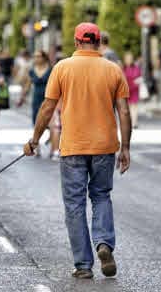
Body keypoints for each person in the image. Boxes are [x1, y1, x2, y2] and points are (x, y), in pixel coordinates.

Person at [23, 22, 131, 279]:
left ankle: (83, 265)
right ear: (98, 41)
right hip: (105, 146)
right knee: (102, 195)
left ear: (76, 41)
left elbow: (47, 108)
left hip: (72, 147)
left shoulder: (62, 68)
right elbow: (124, 111)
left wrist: (35, 139)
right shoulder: (113, 69)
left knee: (74, 203)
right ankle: (104, 243)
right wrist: (125, 147)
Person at [18, 50, 59, 159]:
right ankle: (37, 148)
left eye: (38, 56)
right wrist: (22, 98)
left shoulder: (52, 69)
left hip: (50, 99)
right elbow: (27, 85)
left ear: (44, 57)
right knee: (37, 123)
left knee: (53, 126)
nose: (36, 59)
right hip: (36, 100)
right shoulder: (32, 71)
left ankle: (53, 150)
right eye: (35, 56)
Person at [123, 52, 141, 129]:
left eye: (130, 59)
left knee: (134, 106)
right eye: (127, 59)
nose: (128, 60)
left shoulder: (136, 68)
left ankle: (134, 123)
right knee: (127, 107)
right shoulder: (123, 68)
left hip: (134, 89)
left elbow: (139, 77)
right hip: (126, 89)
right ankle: (129, 122)